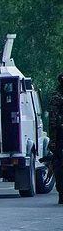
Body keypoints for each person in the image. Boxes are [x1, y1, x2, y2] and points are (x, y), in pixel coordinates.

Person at [47, 74, 63, 205]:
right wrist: (53, 141)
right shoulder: (57, 97)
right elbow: (53, 121)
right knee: (59, 165)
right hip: (60, 136)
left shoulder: (57, 96)